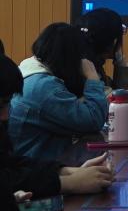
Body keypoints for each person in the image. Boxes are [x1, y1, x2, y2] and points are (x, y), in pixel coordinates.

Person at [0, 40, 113, 211]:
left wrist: (66, 171)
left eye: (7, 103)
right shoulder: (41, 86)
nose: (5, 116)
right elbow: (92, 119)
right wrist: (68, 182)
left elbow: (10, 164)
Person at [8, 24, 108, 162]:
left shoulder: (31, 73)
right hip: (35, 169)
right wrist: (92, 77)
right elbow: (93, 120)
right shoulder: (43, 87)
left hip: (32, 164)